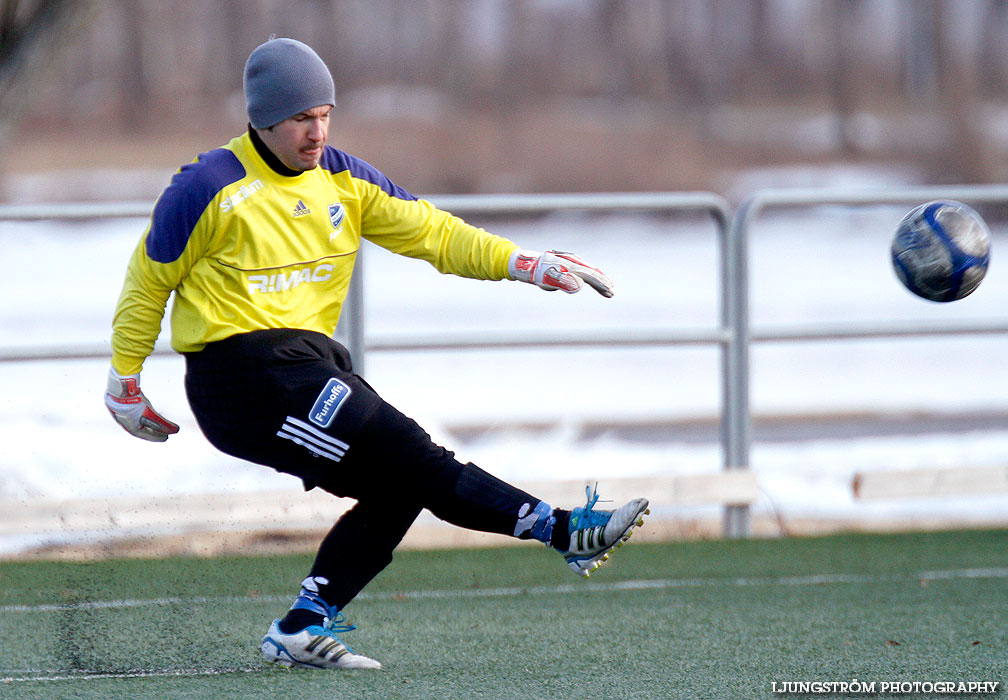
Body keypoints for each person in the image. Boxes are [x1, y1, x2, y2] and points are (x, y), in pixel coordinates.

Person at [104, 36, 649, 671]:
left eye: (325, 114)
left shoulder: (345, 177)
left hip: (309, 370)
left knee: (402, 484)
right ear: (261, 119)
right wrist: (126, 379)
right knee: (412, 453)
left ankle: (301, 627)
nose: (316, 132)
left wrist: (524, 262)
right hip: (242, 380)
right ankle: (562, 529)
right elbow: (149, 281)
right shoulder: (207, 186)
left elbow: (434, 234)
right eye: (300, 118)